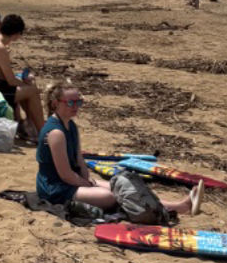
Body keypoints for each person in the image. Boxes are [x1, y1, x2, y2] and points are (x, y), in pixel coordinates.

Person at [36, 81, 203, 215]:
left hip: (73, 181)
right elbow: (65, 175)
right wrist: (86, 183)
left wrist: (86, 178)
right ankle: (171, 208)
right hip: (55, 188)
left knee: (125, 186)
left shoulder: (70, 126)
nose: (75, 106)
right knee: (109, 197)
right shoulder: (55, 133)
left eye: (78, 101)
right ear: (55, 104)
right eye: (70, 102)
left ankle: (176, 206)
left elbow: (79, 159)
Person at [0, 13, 45, 139]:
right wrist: (27, 85)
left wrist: (24, 84)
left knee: (27, 88)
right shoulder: (0, 48)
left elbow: (2, 75)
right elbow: (11, 81)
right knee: (32, 91)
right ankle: (43, 132)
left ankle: (30, 126)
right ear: (17, 34)